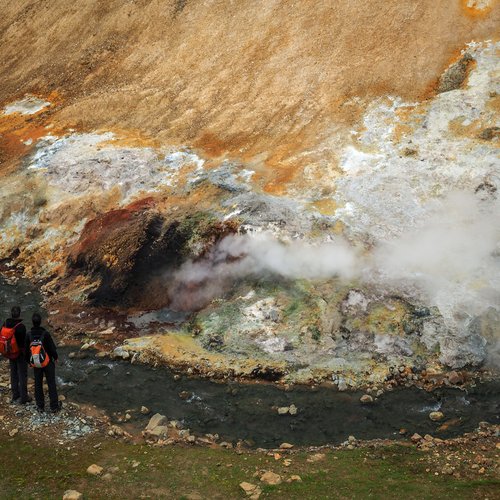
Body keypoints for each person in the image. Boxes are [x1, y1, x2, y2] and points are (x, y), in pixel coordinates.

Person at [25, 313, 60, 413]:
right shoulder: (45, 334)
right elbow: (52, 348)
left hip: (36, 363)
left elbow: (26, 351)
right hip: (47, 362)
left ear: (32, 322)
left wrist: (29, 362)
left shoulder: (29, 335)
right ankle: (54, 406)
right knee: (51, 383)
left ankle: (40, 406)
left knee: (38, 383)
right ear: (40, 322)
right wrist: (56, 357)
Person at [1, 306, 31, 404]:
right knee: (22, 375)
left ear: (11, 313)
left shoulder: (5, 323)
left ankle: (15, 395)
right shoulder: (21, 326)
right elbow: (24, 343)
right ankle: (23, 397)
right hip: (19, 354)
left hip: (9, 353)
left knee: (13, 373)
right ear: (19, 314)